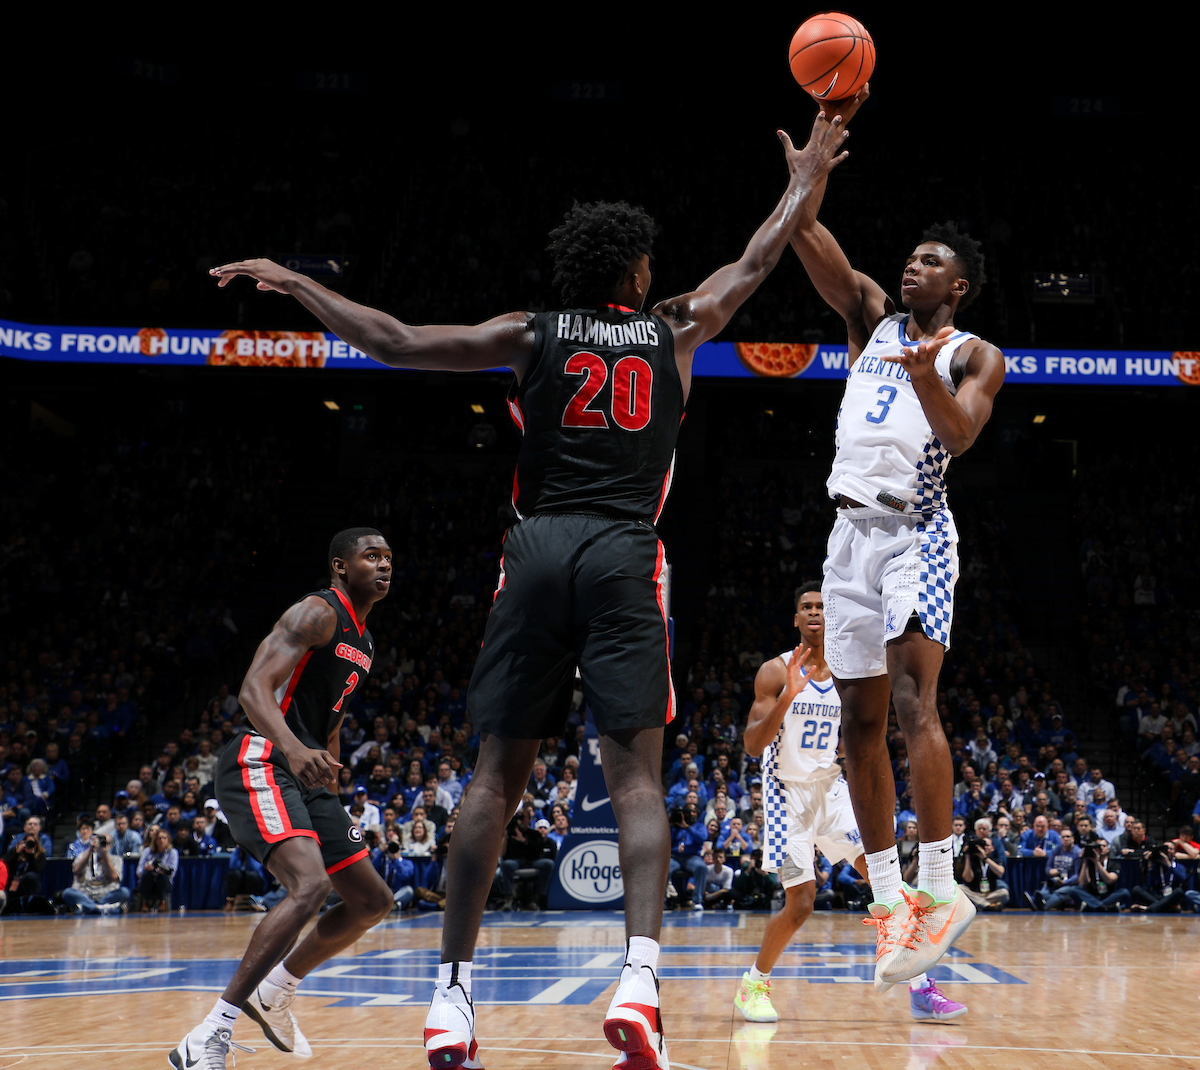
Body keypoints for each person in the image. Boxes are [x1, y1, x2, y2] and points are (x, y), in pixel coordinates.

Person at [213, 106, 856, 1070]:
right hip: (625, 549)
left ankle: (451, 1001)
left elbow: (391, 340)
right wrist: (806, 178)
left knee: (494, 778)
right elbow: (760, 258)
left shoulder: (529, 331)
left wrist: (297, 280)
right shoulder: (674, 324)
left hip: (538, 547)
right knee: (637, 775)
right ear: (638, 274)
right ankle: (639, 977)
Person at [787, 85, 1005, 988]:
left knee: (916, 706)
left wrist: (922, 376)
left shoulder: (972, 353)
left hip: (918, 532)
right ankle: (892, 904)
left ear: (956, 285)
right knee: (859, 727)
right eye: (908, 259)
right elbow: (807, 241)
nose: (909, 269)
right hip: (847, 541)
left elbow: (958, 437)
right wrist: (807, 180)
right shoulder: (871, 319)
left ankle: (942, 880)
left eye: (928, 263)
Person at [168, 529, 396, 1070]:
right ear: (341, 566)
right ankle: (209, 1034)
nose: (385, 566)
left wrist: (332, 778)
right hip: (262, 758)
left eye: (389, 558)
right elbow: (253, 690)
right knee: (311, 885)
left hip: (306, 772)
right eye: (372, 556)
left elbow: (331, 718)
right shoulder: (317, 612)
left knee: (371, 901)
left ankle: (277, 988)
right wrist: (294, 749)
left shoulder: (364, 641)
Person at [734, 582, 964, 1026]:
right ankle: (754, 984)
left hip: (832, 788)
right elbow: (751, 744)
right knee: (802, 902)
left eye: (822, 605)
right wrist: (787, 698)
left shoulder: (849, 671)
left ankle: (921, 988)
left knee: (889, 885)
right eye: (806, 607)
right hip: (786, 796)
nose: (816, 612)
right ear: (796, 619)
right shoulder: (775, 671)